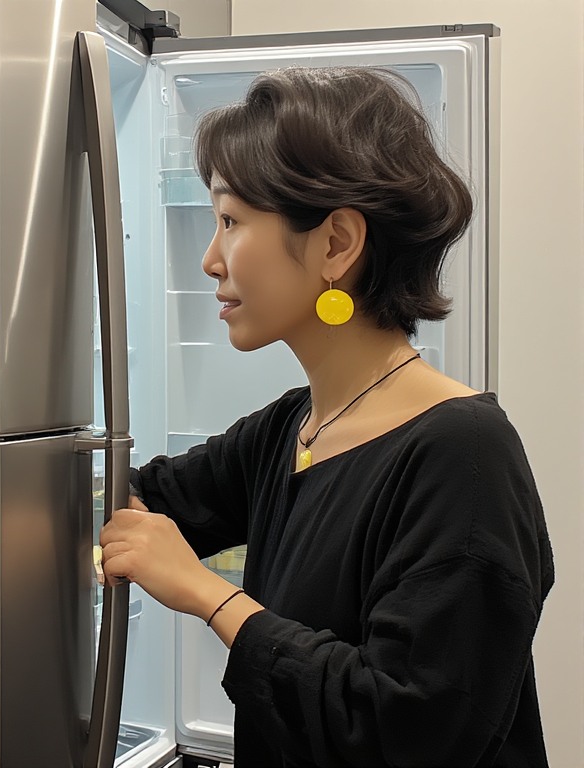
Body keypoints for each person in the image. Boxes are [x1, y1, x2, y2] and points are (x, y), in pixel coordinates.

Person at [99, 67, 554, 767]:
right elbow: (141, 497)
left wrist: (204, 594)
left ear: (337, 243)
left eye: (230, 220)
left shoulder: (465, 457)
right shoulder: (293, 429)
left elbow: (405, 730)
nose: (210, 258)